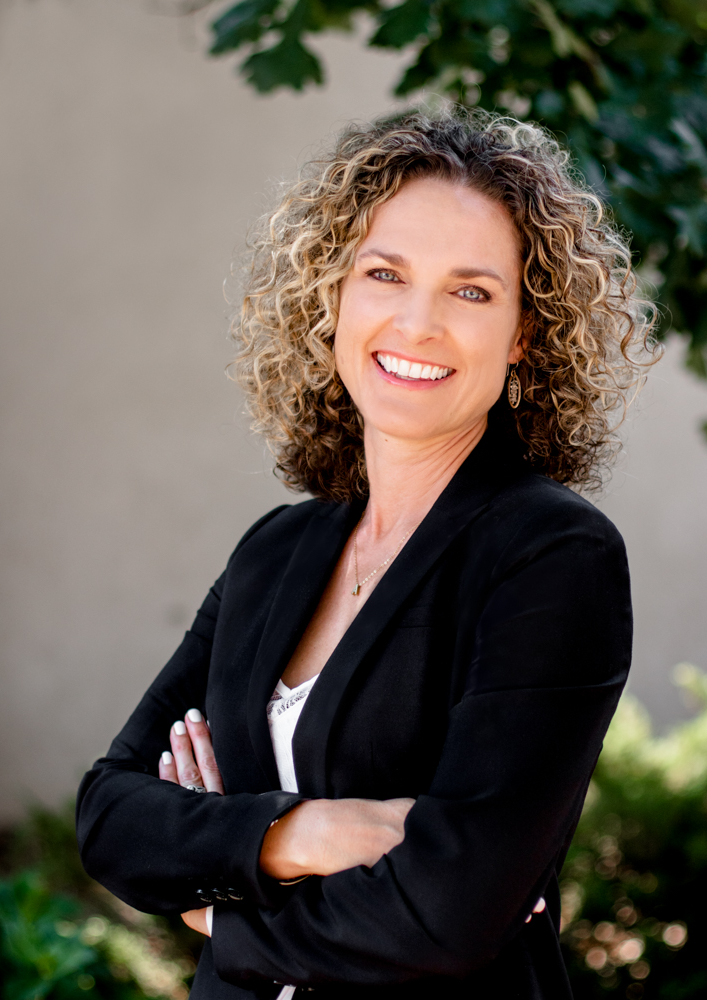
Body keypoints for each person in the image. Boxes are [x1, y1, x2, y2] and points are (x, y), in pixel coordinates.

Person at [76, 107, 657, 999]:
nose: (417, 322)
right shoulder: (276, 552)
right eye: (384, 273)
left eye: (472, 290)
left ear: (526, 334)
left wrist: (220, 903)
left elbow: (450, 912)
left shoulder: (550, 556)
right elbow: (112, 816)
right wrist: (298, 835)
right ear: (334, 298)